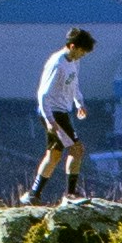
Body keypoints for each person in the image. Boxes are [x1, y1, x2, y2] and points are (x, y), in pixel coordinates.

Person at [26, 27, 96, 201]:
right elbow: (43, 94)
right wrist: (50, 121)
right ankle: (71, 194)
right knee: (77, 149)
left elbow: (73, 84)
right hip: (54, 113)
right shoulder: (57, 64)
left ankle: (33, 194)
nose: (82, 55)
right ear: (72, 46)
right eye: (81, 52)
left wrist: (79, 102)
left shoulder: (73, 62)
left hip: (62, 111)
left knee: (54, 154)